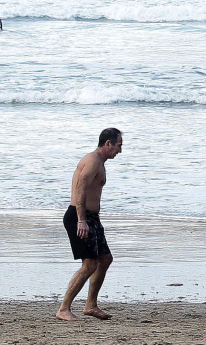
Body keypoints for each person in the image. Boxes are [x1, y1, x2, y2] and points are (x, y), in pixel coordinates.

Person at [57, 128, 123, 321]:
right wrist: (81, 219)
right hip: (80, 217)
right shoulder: (93, 160)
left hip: (91, 218)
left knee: (105, 259)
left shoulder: (100, 162)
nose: (120, 151)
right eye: (119, 146)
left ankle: (90, 305)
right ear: (108, 143)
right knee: (89, 264)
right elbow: (80, 188)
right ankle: (63, 309)